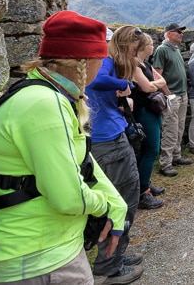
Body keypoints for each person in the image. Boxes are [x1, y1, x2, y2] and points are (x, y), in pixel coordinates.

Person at [0, 10, 128, 284]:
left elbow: (82, 160)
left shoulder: (44, 94)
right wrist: (103, 208)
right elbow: (67, 197)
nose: (102, 63)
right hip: (36, 261)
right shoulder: (45, 105)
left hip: (42, 253)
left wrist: (116, 204)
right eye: (99, 57)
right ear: (83, 61)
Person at [85, 25, 145, 283]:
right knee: (123, 200)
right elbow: (96, 80)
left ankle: (116, 256)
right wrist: (124, 83)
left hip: (106, 138)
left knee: (120, 200)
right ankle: (110, 266)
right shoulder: (105, 61)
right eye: (135, 49)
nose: (136, 54)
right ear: (125, 45)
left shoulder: (103, 62)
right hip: (109, 142)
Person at [131, 33, 166, 210]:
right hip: (144, 110)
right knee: (151, 148)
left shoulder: (145, 64)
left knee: (149, 149)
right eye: (151, 44)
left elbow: (161, 80)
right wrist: (154, 84)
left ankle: (144, 182)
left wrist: (154, 84)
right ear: (143, 46)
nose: (153, 46)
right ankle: (142, 192)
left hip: (152, 109)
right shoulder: (134, 65)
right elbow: (147, 87)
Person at [152, 23, 192, 177]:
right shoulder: (162, 50)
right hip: (172, 96)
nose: (181, 34)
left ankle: (176, 156)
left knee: (179, 127)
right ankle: (165, 163)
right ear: (168, 33)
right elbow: (157, 75)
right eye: (178, 32)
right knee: (170, 129)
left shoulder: (175, 50)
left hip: (181, 94)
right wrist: (169, 94)